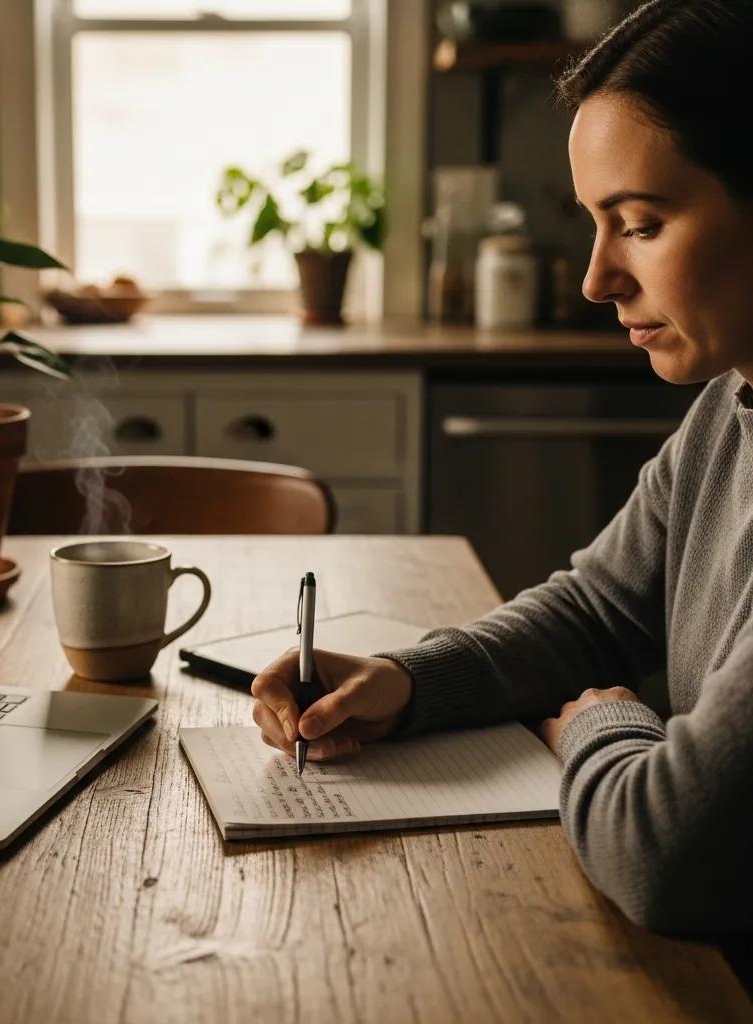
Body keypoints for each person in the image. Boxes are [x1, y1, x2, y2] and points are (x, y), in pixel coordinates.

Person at [251, 0, 753, 937]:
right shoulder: (731, 406)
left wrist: (600, 726)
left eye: (639, 224)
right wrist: (408, 680)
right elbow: (597, 609)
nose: (597, 279)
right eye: (594, 224)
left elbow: (665, 850)